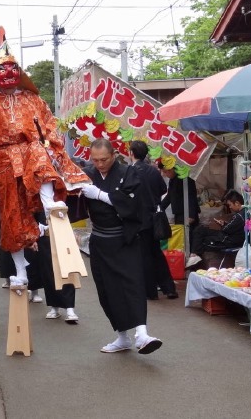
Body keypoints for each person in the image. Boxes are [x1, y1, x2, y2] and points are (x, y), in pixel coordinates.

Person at [0, 32, 90, 286]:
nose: (7, 72)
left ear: (19, 71)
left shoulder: (33, 99)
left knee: (39, 151)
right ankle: (21, 270)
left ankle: (50, 203)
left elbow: (49, 128)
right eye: (2, 69)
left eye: (12, 68)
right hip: (3, 159)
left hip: (30, 153)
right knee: (10, 213)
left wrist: (50, 147)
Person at [80, 138, 162, 355]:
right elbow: (73, 198)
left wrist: (101, 195)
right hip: (100, 240)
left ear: (114, 155)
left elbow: (134, 204)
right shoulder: (87, 174)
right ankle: (122, 337)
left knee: (133, 284)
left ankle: (142, 334)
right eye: (95, 160)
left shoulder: (128, 172)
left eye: (104, 160)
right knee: (108, 289)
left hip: (124, 240)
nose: (99, 164)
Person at [128, 141, 178, 300]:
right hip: (154, 218)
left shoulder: (130, 172)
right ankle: (169, 288)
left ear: (131, 153)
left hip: (139, 219)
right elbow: (163, 190)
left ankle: (150, 291)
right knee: (157, 253)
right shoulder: (154, 171)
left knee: (145, 256)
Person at [28, 211, 79, 322]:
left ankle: (70, 308)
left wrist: (73, 230)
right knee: (48, 272)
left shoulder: (60, 194)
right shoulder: (37, 196)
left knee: (67, 270)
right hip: (44, 235)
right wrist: (32, 237)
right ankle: (54, 306)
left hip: (63, 234)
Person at [186, 189, 246, 267]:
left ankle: (195, 258)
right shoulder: (241, 214)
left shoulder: (239, 216)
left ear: (237, 203)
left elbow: (226, 229)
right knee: (200, 230)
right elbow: (230, 227)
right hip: (225, 236)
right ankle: (194, 255)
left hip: (228, 240)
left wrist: (224, 225)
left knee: (202, 241)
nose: (230, 207)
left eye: (230, 205)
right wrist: (224, 223)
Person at [160, 160, 200, 237]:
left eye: (165, 172)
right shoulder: (172, 180)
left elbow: (191, 195)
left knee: (189, 237)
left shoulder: (185, 177)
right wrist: (160, 207)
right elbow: (169, 196)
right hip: (178, 213)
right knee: (181, 237)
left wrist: (191, 215)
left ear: (172, 169)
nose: (164, 175)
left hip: (187, 213)